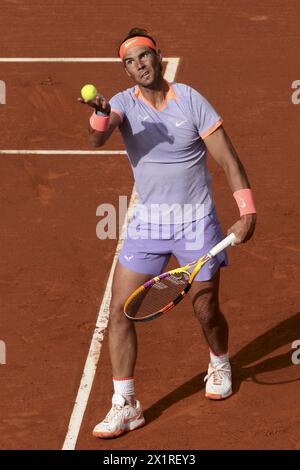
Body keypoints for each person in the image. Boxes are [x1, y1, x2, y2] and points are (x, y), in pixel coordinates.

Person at [79, 28, 256, 439]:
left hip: (197, 222)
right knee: (119, 311)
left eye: (144, 57)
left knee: (205, 307)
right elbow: (96, 139)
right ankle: (126, 403)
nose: (138, 66)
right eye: (129, 61)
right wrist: (100, 112)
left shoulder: (190, 100)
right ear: (124, 69)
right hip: (148, 224)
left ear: (158, 58)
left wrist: (246, 212)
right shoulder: (121, 104)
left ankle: (220, 360)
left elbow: (229, 160)